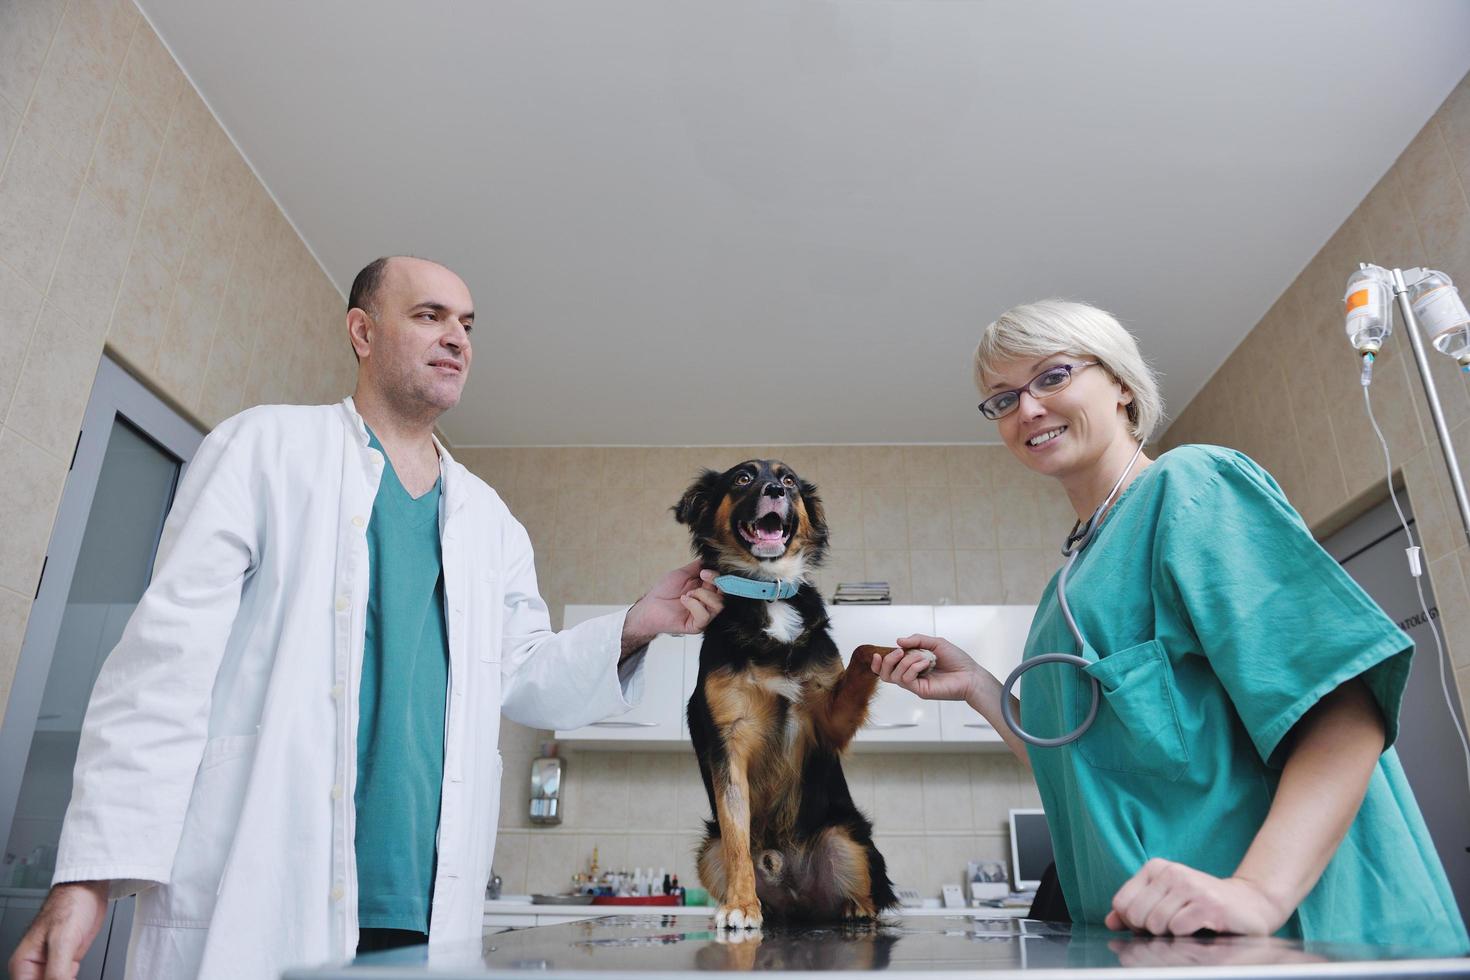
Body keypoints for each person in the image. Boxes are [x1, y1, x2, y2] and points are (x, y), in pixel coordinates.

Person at [8, 256, 725, 979]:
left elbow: (526, 677)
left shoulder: (491, 523)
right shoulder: (263, 450)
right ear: (362, 330)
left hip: (425, 913)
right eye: (429, 315)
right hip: (264, 888)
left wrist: (639, 623)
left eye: (467, 325)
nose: (457, 338)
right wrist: (88, 875)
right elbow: (164, 666)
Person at [871, 299, 1467, 950]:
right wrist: (980, 688)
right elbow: (1077, 762)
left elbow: (1345, 707)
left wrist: (1258, 893)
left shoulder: (1192, 487)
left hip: (1296, 941)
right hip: (1156, 944)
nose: (1029, 409)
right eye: (1003, 399)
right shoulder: (1066, 589)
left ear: (1122, 383)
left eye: (1053, 376)